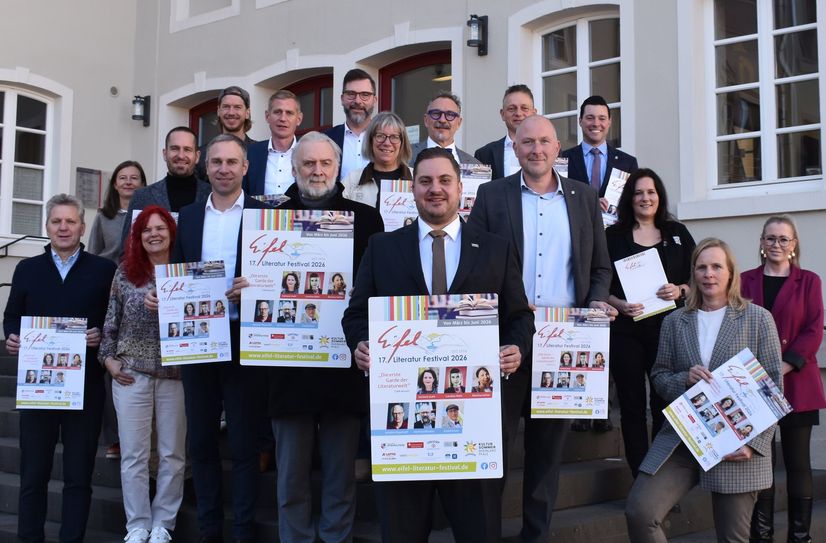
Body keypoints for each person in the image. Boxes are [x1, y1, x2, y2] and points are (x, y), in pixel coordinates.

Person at [342, 147, 534, 542]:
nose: (435, 189)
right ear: (412, 189)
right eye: (425, 181)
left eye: (445, 180)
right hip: (402, 423)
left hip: (472, 423)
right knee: (402, 532)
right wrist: (360, 343)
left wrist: (516, 348)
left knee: (478, 531)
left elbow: (519, 317)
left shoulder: (495, 248)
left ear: (461, 188)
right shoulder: (383, 247)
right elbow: (356, 314)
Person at [469, 114, 615, 543]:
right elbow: (473, 262)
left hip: (563, 342)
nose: (536, 149)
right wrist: (508, 302)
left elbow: (600, 268)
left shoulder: (584, 197)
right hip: (506, 339)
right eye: (527, 141)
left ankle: (535, 536)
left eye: (544, 142)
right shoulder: (491, 195)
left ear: (557, 148)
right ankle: (485, 534)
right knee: (493, 448)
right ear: (514, 147)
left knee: (546, 454)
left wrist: (594, 303)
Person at [267, 131, 384, 543]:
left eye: (325, 163)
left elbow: (377, 288)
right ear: (294, 168)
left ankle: (336, 538)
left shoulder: (366, 219)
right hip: (287, 368)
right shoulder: (269, 218)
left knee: (340, 474)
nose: (317, 171)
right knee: (290, 476)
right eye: (308, 163)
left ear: (337, 167)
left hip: (343, 365)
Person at [625, 238, 783, 543]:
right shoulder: (675, 321)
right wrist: (684, 379)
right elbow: (659, 376)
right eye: (701, 267)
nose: (709, 274)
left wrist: (753, 444)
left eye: (716, 267)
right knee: (640, 512)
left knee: (732, 538)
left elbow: (774, 388)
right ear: (693, 273)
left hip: (736, 443)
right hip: (685, 436)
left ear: (730, 272)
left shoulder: (758, 319)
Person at [154, 133, 271, 543]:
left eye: (232, 162)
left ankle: (242, 530)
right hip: (199, 340)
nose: (224, 169)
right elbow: (177, 270)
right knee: (201, 441)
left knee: (243, 443)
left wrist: (255, 286)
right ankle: (209, 529)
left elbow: (278, 279)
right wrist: (162, 297)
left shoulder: (263, 215)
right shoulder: (187, 216)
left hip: (245, 340)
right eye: (217, 162)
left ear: (245, 167)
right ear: (206, 167)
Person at [3, 193, 116, 543]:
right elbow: (12, 316)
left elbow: (114, 321)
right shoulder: (27, 269)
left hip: (85, 387)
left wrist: (101, 333)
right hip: (38, 389)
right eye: (56, 221)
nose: (63, 227)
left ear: (82, 226)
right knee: (33, 474)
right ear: (47, 226)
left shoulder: (104, 270)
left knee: (78, 477)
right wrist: (12, 337)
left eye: (70, 221)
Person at [99, 206, 185, 543]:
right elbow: (111, 321)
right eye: (146, 229)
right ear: (137, 236)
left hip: (176, 375)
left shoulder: (187, 271)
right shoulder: (125, 272)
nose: (153, 234)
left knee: (172, 454)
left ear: (171, 233)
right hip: (131, 374)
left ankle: (163, 524)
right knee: (134, 454)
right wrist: (108, 359)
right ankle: (137, 524)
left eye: (160, 228)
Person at [601, 168, 695, 472]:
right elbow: (599, 283)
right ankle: (640, 475)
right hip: (625, 332)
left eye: (651, 192)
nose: (645, 198)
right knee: (631, 406)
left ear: (659, 196)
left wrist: (680, 290)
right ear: (630, 198)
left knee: (664, 403)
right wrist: (618, 304)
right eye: (639, 192)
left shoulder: (677, 233)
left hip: (667, 331)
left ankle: (662, 472)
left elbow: (697, 278)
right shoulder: (613, 236)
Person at [742, 215, 825, 543]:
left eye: (783, 239)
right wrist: (756, 370)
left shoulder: (809, 281)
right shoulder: (744, 280)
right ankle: (761, 536)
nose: (776, 244)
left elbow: (814, 330)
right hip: (754, 383)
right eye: (770, 238)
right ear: (762, 243)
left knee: (797, 462)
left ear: (794, 245)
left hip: (797, 382)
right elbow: (737, 325)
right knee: (762, 462)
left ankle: (799, 537)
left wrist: (781, 367)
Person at [122, 127, 212, 243]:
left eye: (187, 149)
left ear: (197, 156)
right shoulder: (142, 196)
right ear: (165, 154)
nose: (181, 155)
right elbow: (127, 246)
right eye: (175, 149)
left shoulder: (212, 195)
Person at [561, 95, 639, 211]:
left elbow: (634, 202)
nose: (596, 123)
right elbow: (557, 199)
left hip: (615, 223)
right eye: (590, 118)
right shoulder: (562, 159)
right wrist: (590, 203)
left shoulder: (627, 163)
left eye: (602, 118)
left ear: (609, 122)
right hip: (576, 222)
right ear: (580, 121)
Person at [341, 111, 413, 207]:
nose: (387, 143)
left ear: (402, 143)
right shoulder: (352, 180)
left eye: (394, 137)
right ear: (370, 140)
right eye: (380, 136)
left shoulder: (417, 178)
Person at [244, 90, 303, 197]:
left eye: (289, 113)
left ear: (299, 119)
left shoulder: (308, 153)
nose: (283, 118)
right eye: (277, 112)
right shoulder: (251, 153)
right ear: (267, 116)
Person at [88, 160, 147, 262]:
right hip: (108, 271)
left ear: (142, 184)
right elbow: (93, 253)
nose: (128, 182)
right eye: (122, 178)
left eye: (134, 178)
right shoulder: (103, 216)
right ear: (115, 184)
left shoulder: (151, 217)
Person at [474, 84, 537, 179]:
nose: (518, 113)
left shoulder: (551, 150)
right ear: (502, 114)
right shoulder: (484, 154)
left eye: (524, 108)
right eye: (512, 109)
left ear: (534, 113)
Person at [194, 86, 255, 181]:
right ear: (218, 111)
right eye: (226, 107)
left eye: (237, 107)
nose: (231, 112)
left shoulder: (259, 152)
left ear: (247, 113)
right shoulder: (202, 154)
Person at [325, 69, 377, 180]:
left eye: (365, 95)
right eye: (351, 94)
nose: (357, 101)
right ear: (342, 99)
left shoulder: (388, 139)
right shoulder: (326, 139)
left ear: (374, 100)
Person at [410, 92, 480, 166]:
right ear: (426, 120)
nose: (442, 120)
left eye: (450, 115)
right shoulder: (404, 155)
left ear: (459, 123)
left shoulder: (475, 165)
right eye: (436, 113)